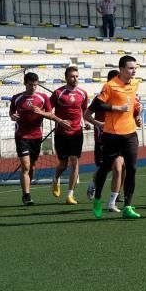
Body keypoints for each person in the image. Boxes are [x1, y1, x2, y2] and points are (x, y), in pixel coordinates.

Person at [88, 55, 142, 219]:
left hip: (130, 133)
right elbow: (97, 105)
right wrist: (116, 108)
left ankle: (127, 206)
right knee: (105, 168)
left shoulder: (135, 83)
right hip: (112, 134)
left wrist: (137, 115)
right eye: (131, 68)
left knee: (131, 168)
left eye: (135, 68)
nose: (134, 71)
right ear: (121, 69)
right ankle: (97, 199)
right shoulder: (110, 86)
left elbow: (133, 103)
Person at [9, 72, 71, 206]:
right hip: (21, 136)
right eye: (30, 85)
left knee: (31, 166)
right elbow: (12, 113)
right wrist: (13, 117)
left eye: (35, 85)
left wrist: (41, 112)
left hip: (36, 136)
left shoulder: (42, 98)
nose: (33, 88)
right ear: (25, 84)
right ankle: (26, 195)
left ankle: (27, 189)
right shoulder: (16, 98)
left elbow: (50, 114)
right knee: (25, 166)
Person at [49, 66, 91, 204]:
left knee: (75, 160)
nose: (75, 79)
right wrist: (60, 121)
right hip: (61, 133)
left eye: (77, 76)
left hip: (76, 132)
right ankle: (56, 178)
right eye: (72, 76)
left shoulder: (83, 94)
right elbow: (48, 111)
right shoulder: (58, 93)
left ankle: (70, 195)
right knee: (63, 163)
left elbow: (84, 111)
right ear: (66, 77)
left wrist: (86, 122)